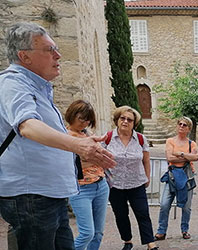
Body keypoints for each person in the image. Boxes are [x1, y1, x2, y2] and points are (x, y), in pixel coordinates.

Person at [0, 22, 115, 250]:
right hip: (31, 197)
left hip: (46, 196)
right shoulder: (13, 83)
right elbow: (28, 126)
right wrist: (78, 146)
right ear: (25, 56)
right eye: (49, 49)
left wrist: (82, 141)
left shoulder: (36, 88)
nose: (58, 55)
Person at [102, 105, 158, 250]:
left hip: (136, 183)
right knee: (121, 215)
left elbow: (146, 159)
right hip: (115, 184)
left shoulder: (140, 138)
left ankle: (150, 243)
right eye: (123, 118)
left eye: (129, 120)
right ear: (117, 120)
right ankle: (127, 241)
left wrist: (147, 177)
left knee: (143, 213)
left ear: (134, 123)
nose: (125, 121)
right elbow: (100, 159)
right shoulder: (107, 138)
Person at [65, 100, 109, 250]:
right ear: (72, 115)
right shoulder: (65, 137)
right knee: (87, 233)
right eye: (81, 118)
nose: (85, 123)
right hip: (81, 188)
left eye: (88, 120)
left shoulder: (86, 133)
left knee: (98, 233)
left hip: (101, 185)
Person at [154, 117, 198, 241]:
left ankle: (185, 229)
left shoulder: (191, 144)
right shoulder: (170, 141)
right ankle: (161, 231)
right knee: (164, 204)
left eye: (185, 125)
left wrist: (179, 154)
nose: (181, 126)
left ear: (189, 128)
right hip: (172, 177)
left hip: (187, 177)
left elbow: (196, 157)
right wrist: (186, 157)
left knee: (186, 206)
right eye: (180, 124)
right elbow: (170, 158)